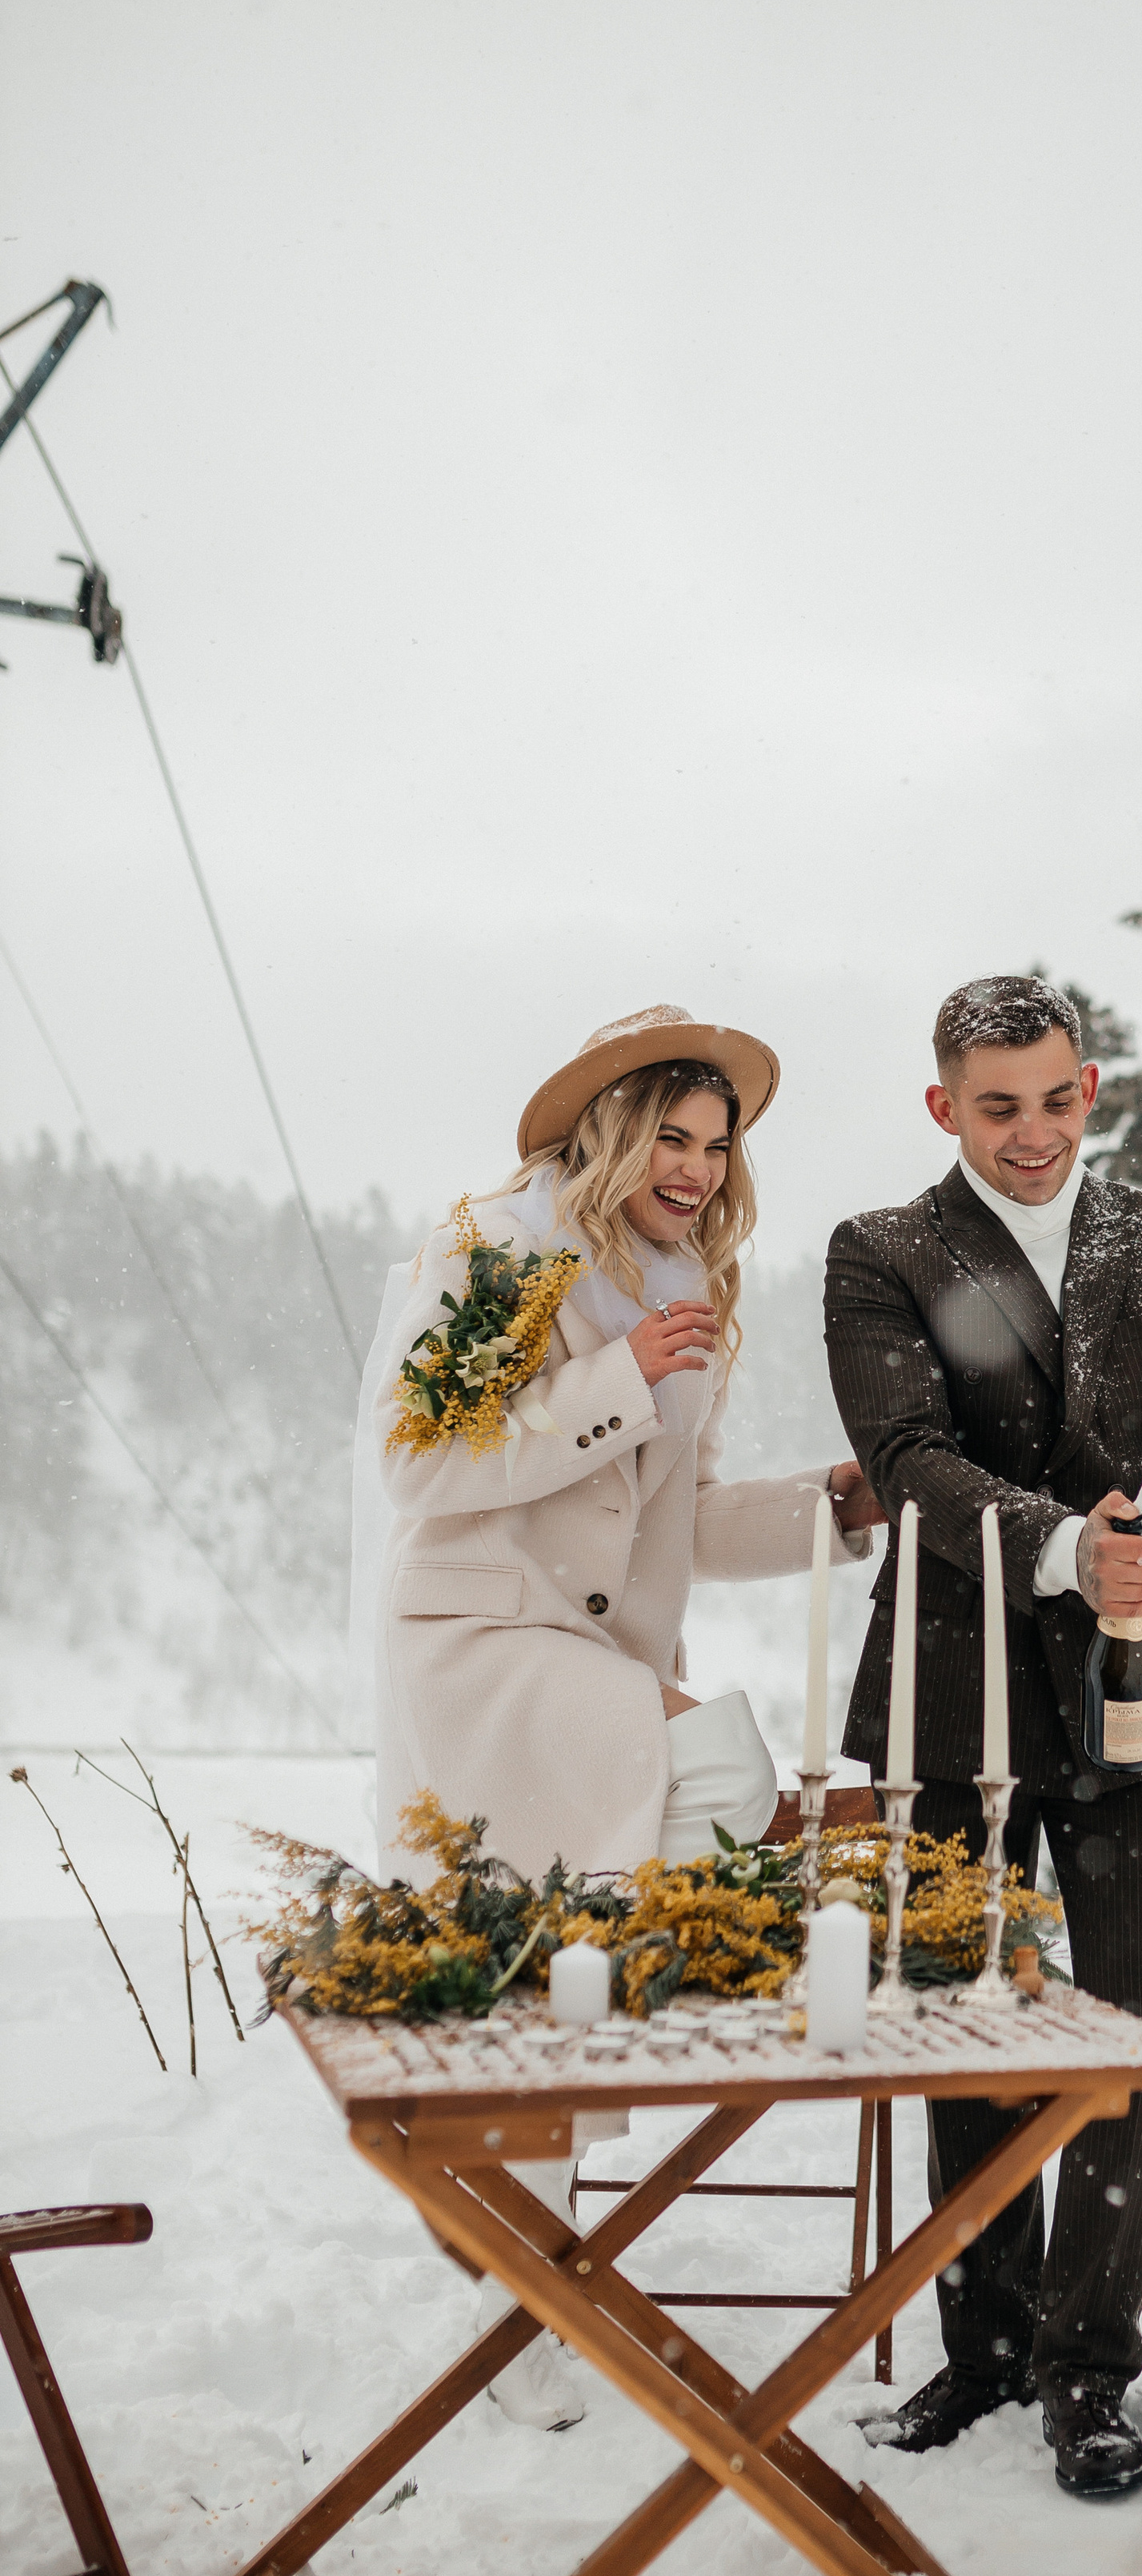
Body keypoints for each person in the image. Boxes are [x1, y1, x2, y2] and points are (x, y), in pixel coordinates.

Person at [360, 1001, 882, 2424]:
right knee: (719, 1766)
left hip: (584, 1653)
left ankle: (519, 2273)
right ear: (609, 1131)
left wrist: (832, 1512)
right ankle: (526, 2197)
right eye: (672, 1133)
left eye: (718, 1144)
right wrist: (617, 1374)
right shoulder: (501, 1246)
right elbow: (424, 1468)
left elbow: (690, 1521)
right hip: (479, 1636)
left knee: (546, 1962)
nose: (699, 1166)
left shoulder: (691, 1287)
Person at [824, 974, 1142, 2495]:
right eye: (997, 1105)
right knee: (962, 2024)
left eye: (1056, 1098)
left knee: (1135, 2037)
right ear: (946, 1105)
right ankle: (987, 2348)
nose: (1032, 1133)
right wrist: (1057, 1550)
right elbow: (904, 1458)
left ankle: (1092, 2371)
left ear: (1093, 1087)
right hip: (948, 1697)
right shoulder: (883, 1254)